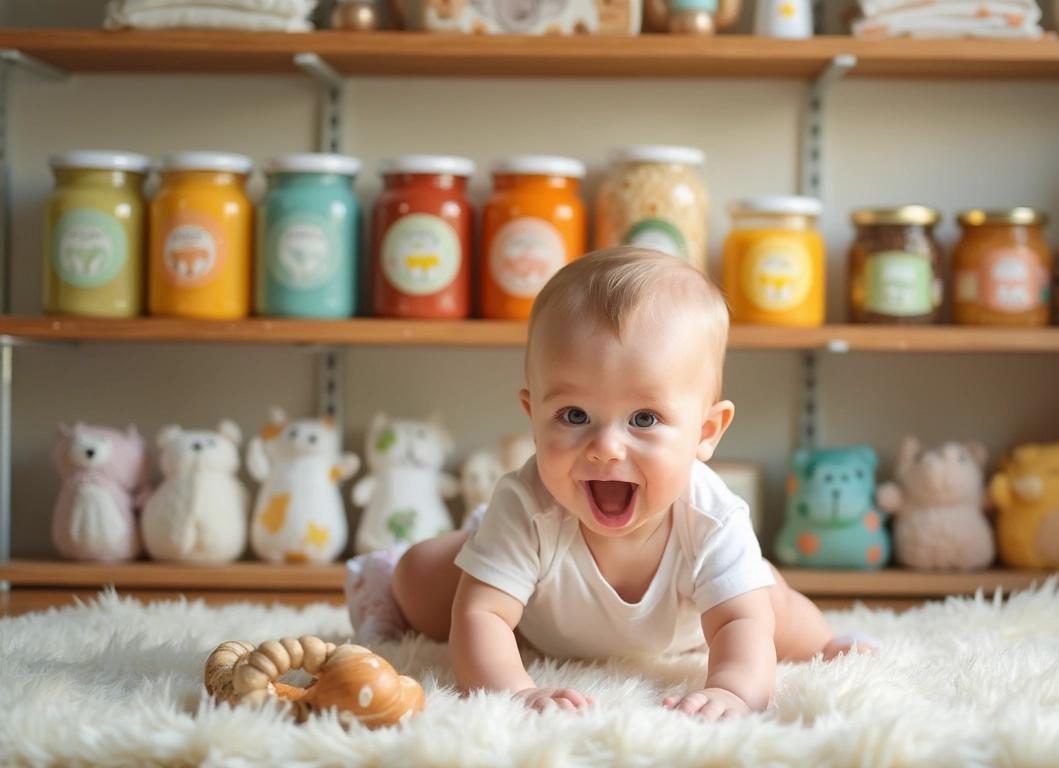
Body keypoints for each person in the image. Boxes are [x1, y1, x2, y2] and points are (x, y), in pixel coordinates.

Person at [346, 246, 872, 720]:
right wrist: (513, 689)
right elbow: (482, 615)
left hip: (685, 623)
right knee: (424, 579)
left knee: (765, 600)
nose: (606, 447)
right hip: (537, 615)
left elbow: (739, 626)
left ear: (705, 432)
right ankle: (393, 572)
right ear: (533, 414)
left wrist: (734, 691)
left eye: (644, 419)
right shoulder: (528, 504)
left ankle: (827, 645)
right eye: (574, 415)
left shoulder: (711, 515)